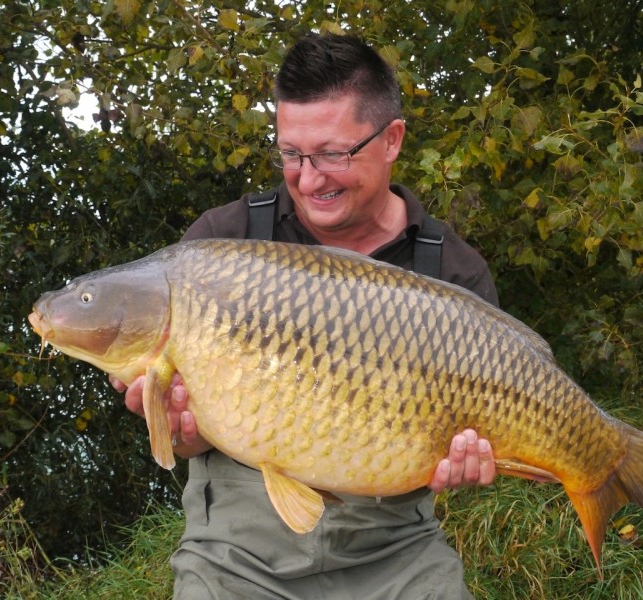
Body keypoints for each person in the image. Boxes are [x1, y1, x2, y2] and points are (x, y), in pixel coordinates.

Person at [115, 33, 499, 599]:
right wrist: (181, 431)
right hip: (236, 553)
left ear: (391, 139)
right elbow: (189, 442)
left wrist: (469, 461)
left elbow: (471, 448)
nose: (308, 177)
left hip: (395, 550)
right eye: (292, 154)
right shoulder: (222, 244)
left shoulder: (452, 274)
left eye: (332, 154)